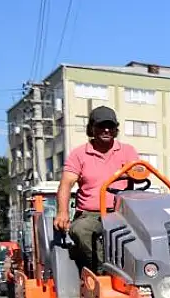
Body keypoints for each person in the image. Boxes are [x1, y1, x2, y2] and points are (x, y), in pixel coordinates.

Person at [53, 106, 139, 274]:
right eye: (101, 125)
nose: (106, 130)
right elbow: (66, 184)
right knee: (80, 229)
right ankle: (102, 272)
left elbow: (139, 173)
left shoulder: (127, 151)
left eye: (110, 126)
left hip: (122, 212)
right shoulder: (79, 154)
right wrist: (62, 212)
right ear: (92, 128)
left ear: (116, 129)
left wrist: (138, 174)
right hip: (91, 214)